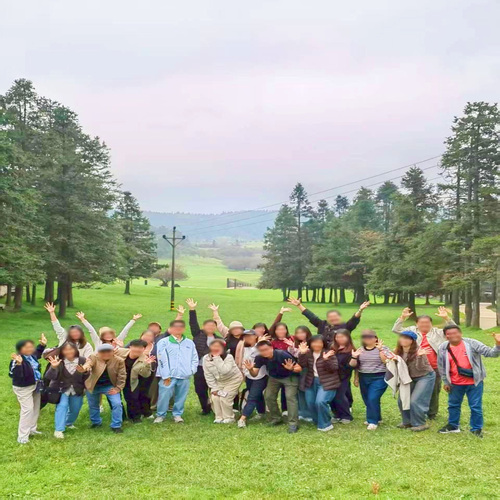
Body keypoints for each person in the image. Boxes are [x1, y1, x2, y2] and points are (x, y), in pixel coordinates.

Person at [437, 326, 500, 437]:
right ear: (446, 336)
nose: (453, 336)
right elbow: (441, 366)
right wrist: (446, 381)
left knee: (475, 406)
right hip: (454, 383)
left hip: (474, 382)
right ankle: (453, 425)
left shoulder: (472, 343)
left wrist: (498, 344)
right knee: (453, 405)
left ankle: (476, 429)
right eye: (449, 334)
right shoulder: (443, 347)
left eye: (455, 333)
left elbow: (491, 353)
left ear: (460, 333)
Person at [392, 306, 454, 419]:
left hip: (434, 367)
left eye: (427, 323)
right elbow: (396, 329)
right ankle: (413, 411)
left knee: (434, 390)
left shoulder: (438, 332)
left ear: (431, 324)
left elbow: (454, 330)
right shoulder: (411, 331)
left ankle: (432, 413)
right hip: (413, 366)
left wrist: (446, 318)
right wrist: (402, 318)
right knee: (413, 390)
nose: (424, 325)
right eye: (421, 323)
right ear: (417, 324)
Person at [247, 340, 302, 433]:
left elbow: (299, 368)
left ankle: (293, 423)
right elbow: (254, 374)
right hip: (274, 377)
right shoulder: (259, 358)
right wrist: (250, 369)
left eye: (266, 349)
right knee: (268, 396)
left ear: (271, 348)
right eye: (261, 350)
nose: (264, 352)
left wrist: (291, 368)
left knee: (290, 397)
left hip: (289, 376)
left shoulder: (282, 354)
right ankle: (276, 418)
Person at [154, 319, 198, 424]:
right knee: (164, 396)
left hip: (184, 375)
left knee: (181, 396)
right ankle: (160, 415)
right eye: (175, 327)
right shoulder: (164, 342)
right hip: (168, 376)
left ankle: (177, 414)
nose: (178, 329)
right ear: (171, 329)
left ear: (184, 329)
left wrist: (191, 370)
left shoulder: (189, 343)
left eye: (181, 327)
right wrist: (166, 375)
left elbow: (194, 358)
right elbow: (161, 359)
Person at [391, 331, 436, 431]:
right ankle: (407, 422)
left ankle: (420, 423)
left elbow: (420, 368)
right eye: (402, 337)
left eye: (407, 338)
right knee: (402, 399)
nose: (404, 340)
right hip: (409, 378)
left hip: (425, 376)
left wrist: (419, 356)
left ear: (412, 341)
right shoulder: (397, 351)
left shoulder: (420, 351)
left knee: (415, 400)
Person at [186, 298, 223, 415]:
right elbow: (193, 323)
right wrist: (192, 309)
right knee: (200, 389)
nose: (210, 327)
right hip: (200, 367)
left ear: (216, 328)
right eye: (208, 325)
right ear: (203, 326)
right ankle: (205, 408)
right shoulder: (198, 334)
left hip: (214, 367)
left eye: (213, 325)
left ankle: (216, 407)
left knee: (214, 388)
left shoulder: (219, 339)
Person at [9, 334, 47, 444]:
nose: (30, 349)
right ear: (20, 349)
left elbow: (37, 353)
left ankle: (32, 429)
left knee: (35, 407)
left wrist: (42, 345)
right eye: (26, 347)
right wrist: (19, 364)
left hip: (35, 384)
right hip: (23, 388)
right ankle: (22, 436)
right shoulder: (17, 359)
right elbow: (14, 375)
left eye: (31, 347)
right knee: (27, 410)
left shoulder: (31, 356)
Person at [45, 342, 88, 438]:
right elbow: (49, 376)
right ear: (62, 351)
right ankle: (59, 429)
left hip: (77, 388)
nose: (68, 352)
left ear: (75, 350)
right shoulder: (58, 360)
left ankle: (68, 423)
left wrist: (84, 372)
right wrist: (53, 367)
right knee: (62, 406)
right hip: (61, 388)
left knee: (75, 408)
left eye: (71, 349)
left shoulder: (82, 360)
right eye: (65, 350)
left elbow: (87, 376)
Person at [297, 336, 340, 432]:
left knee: (320, 402)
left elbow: (334, 368)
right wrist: (302, 353)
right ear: (310, 344)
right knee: (310, 402)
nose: (317, 345)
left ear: (323, 343)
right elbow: (302, 365)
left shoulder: (329, 353)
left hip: (327, 382)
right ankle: (318, 421)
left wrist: (326, 359)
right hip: (311, 382)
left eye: (319, 342)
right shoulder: (308, 353)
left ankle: (326, 424)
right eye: (314, 342)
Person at [81, 344, 126, 433]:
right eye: (103, 352)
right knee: (93, 405)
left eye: (108, 351)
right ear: (98, 353)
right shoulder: (93, 357)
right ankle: (96, 422)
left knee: (117, 404)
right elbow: (88, 364)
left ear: (113, 352)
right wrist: (84, 368)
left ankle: (116, 425)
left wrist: (118, 388)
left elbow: (122, 375)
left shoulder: (119, 360)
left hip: (109, 386)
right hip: (93, 385)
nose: (106, 354)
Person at [288, 297, 370, 345]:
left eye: (335, 317)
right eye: (330, 317)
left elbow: (354, 319)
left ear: (339, 317)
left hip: (340, 353)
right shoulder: (322, 324)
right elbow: (311, 316)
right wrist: (299, 305)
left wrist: (360, 310)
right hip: (323, 352)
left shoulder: (346, 326)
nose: (333, 319)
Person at [350, 330, 387, 430]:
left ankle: (372, 421)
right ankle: (377, 418)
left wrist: (380, 350)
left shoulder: (383, 348)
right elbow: (356, 366)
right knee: (367, 399)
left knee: (372, 398)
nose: (367, 339)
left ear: (375, 338)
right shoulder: (360, 350)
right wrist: (356, 377)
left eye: (370, 337)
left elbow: (385, 361)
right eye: (365, 337)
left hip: (379, 377)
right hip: (364, 377)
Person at [203, 339, 243, 424]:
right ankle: (219, 417)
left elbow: (225, 371)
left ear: (223, 348)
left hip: (233, 380)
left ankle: (229, 417)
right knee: (215, 397)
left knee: (225, 397)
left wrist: (217, 358)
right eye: (213, 346)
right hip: (220, 381)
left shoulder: (229, 357)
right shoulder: (206, 358)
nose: (215, 348)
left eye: (218, 347)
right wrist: (214, 388)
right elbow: (208, 375)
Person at [115, 340, 156, 422]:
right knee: (116, 398)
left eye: (140, 348)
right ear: (130, 347)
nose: (137, 350)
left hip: (132, 380)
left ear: (144, 349)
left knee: (132, 397)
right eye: (135, 347)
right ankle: (121, 416)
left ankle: (135, 417)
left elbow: (146, 375)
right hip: (118, 378)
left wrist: (147, 365)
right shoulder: (120, 352)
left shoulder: (145, 359)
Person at [239, 329, 268, 428]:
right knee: (258, 395)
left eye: (250, 336)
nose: (248, 338)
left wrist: (260, 343)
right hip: (249, 376)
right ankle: (261, 413)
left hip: (260, 377)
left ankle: (242, 418)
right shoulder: (245, 348)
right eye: (246, 336)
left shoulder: (260, 347)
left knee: (252, 397)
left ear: (255, 336)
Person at [75, 310, 143, 350]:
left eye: (110, 334)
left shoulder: (117, 341)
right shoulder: (98, 341)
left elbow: (125, 330)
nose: (108, 336)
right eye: (105, 334)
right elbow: (91, 330)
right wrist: (83, 319)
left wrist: (133, 320)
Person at [286, 326, 313, 422]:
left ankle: (309, 414)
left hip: (308, 370)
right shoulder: (296, 343)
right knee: (300, 391)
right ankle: (302, 412)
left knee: (307, 392)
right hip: (298, 370)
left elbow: (306, 356)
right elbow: (294, 355)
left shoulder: (312, 343)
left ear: (307, 333)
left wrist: (300, 351)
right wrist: (291, 347)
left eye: (302, 332)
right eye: (297, 333)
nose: (300, 335)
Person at [330, 329, 355, 424]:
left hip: (343, 376)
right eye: (337, 337)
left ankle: (346, 416)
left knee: (339, 395)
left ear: (348, 337)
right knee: (332, 396)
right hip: (331, 376)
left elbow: (351, 366)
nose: (339, 339)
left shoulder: (351, 350)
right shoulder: (332, 348)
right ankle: (336, 414)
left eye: (342, 337)